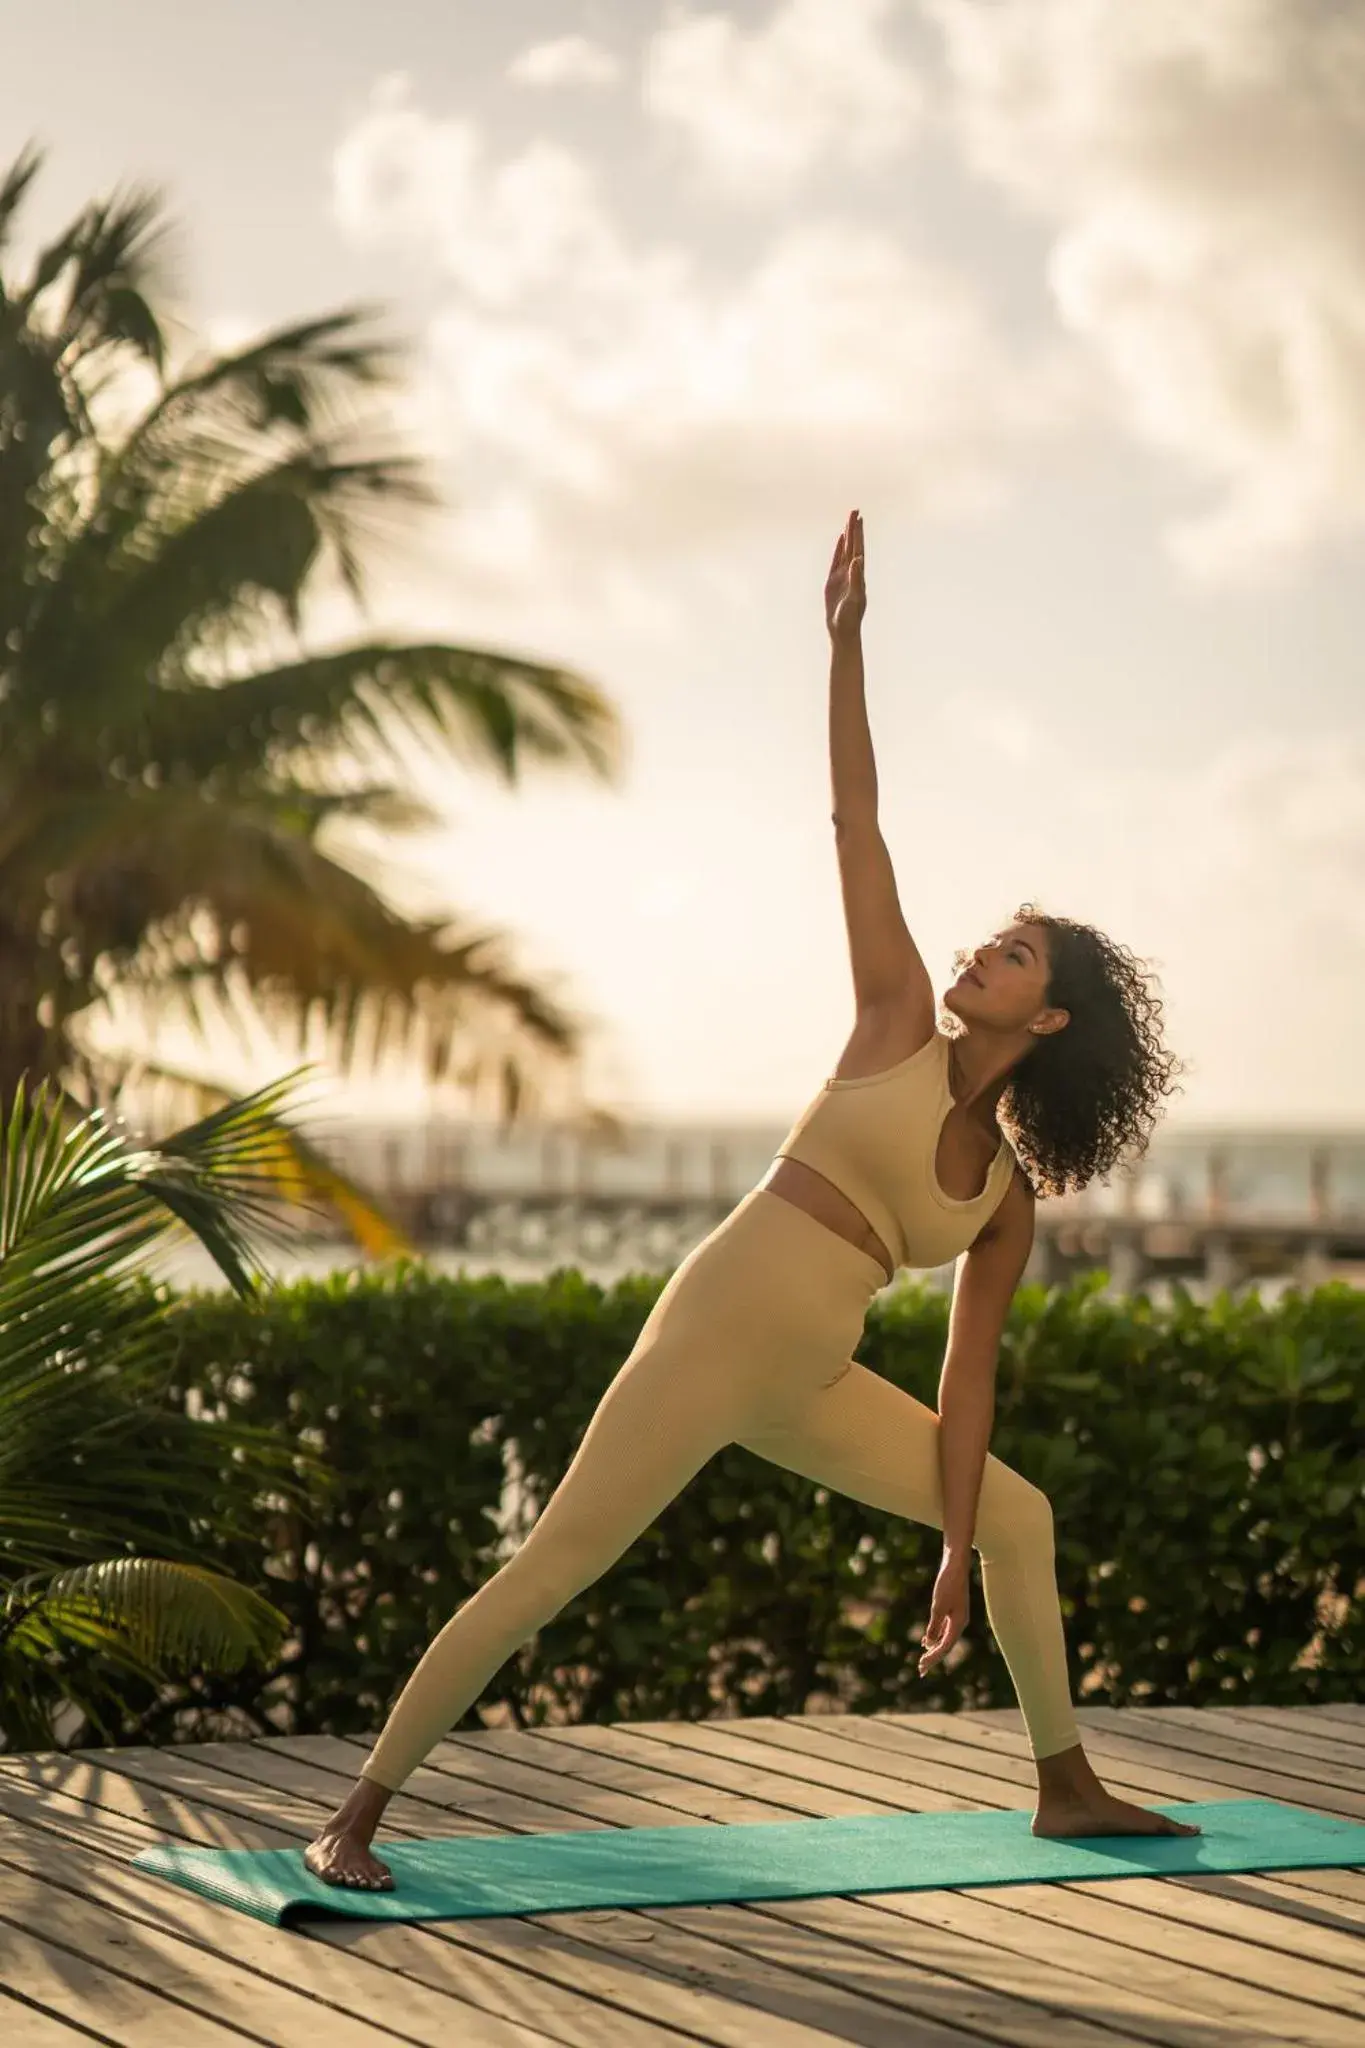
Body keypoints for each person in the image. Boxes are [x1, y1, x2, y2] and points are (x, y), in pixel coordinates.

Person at [306, 509, 1200, 1889]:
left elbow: (969, 1384)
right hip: (715, 1327)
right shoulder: (898, 1017)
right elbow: (858, 821)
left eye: (1012, 954)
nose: (979, 950)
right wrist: (845, 646)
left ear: (1057, 1012)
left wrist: (954, 1546)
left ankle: (1065, 1784)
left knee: (1020, 1515)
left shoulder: (1006, 1202)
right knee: (555, 1567)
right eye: (991, 939)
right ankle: (354, 1813)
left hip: (812, 1377)